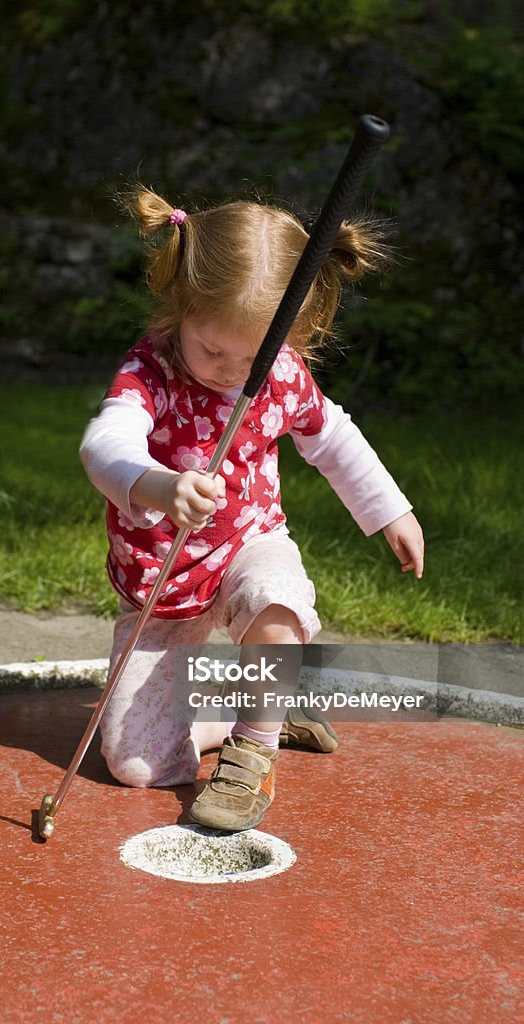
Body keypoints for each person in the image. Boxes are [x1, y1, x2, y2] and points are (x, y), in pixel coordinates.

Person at [79, 186, 424, 831]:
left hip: (247, 540)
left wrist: (390, 511)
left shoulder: (283, 373)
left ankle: (253, 751)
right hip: (165, 576)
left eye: (254, 357)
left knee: (276, 595)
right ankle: (260, 701)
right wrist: (157, 485)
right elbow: (104, 447)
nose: (232, 372)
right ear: (181, 305)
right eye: (214, 350)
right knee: (135, 765)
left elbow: (334, 439)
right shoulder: (149, 372)